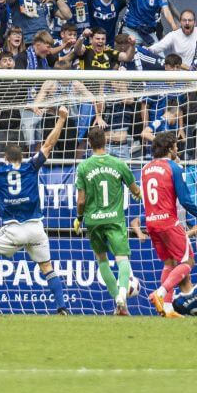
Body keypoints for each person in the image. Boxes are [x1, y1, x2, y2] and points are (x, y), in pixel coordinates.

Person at [0, 106, 71, 315]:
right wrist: (61, 119)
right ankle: (62, 307)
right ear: (22, 157)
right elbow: (49, 144)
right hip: (36, 228)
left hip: (14, 228)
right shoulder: (31, 166)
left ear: (5, 158)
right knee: (47, 267)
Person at [134, 131, 197, 317]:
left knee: (169, 263)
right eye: (176, 146)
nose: (177, 149)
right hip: (168, 221)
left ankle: (167, 309)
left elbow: (144, 197)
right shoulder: (174, 168)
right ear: (169, 148)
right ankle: (159, 294)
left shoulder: (145, 169)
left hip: (151, 222)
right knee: (188, 261)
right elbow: (185, 200)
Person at [74, 127, 142, 315]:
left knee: (102, 259)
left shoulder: (83, 167)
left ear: (89, 143)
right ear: (106, 141)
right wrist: (138, 195)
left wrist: (79, 218)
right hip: (114, 220)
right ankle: (122, 293)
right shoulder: (118, 164)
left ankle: (120, 305)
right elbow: (135, 190)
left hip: (93, 221)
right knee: (122, 259)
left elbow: (81, 201)